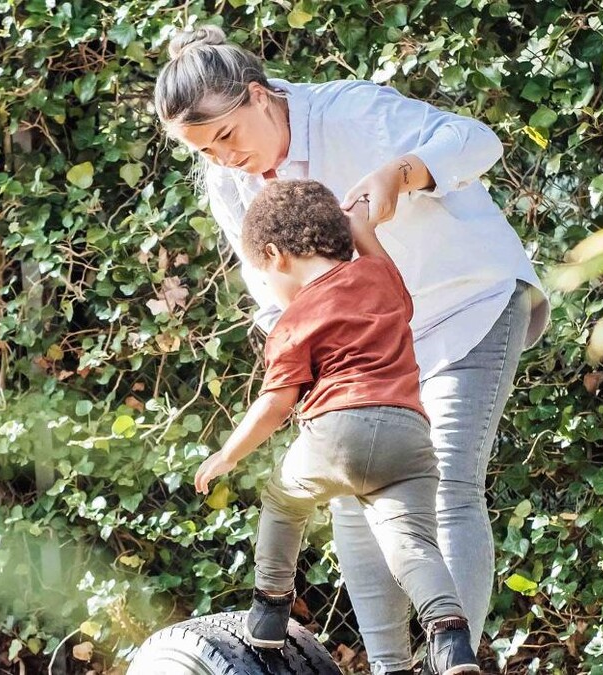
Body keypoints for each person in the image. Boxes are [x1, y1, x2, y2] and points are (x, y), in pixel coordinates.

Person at [156, 25, 549, 675]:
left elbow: (476, 139)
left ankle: (452, 661)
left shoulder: (348, 112)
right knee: (354, 496)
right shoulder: (230, 184)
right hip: (368, 346)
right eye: (203, 151)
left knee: (443, 481)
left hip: (466, 302)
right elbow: (273, 289)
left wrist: (405, 170)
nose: (222, 158)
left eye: (226, 136)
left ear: (259, 96)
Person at [193, 180, 479, 675]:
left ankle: (270, 608)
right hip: (408, 438)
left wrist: (230, 454)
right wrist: (360, 225)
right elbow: (368, 243)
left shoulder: (295, 318)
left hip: (336, 434)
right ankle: (450, 636)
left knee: (284, 500)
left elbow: (276, 402)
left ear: (274, 255)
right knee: (412, 544)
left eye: (264, 275)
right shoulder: (381, 279)